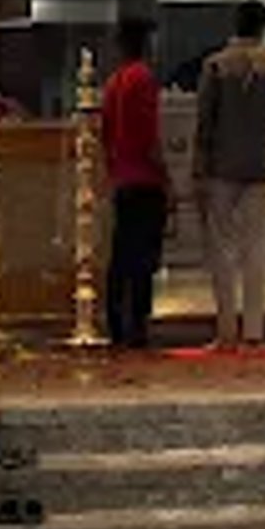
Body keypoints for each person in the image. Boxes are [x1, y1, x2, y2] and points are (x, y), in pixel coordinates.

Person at [193, 0, 265, 349]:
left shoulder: (216, 66)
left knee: (222, 248)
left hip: (222, 166)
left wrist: (200, 166)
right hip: (260, 165)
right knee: (256, 248)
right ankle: (254, 331)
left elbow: (204, 122)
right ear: (263, 28)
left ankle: (226, 331)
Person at [100, 17, 168, 350]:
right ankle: (138, 324)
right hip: (145, 178)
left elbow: (106, 132)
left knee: (121, 252)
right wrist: (166, 176)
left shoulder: (113, 82)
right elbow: (150, 135)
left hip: (122, 177)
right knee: (144, 257)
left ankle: (115, 320)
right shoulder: (143, 78)